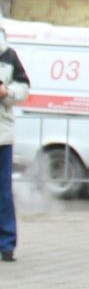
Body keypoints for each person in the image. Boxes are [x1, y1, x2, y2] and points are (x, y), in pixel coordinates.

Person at [0, 28, 31, 263]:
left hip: (2, 136)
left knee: (3, 193)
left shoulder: (9, 56)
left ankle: (6, 243)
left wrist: (6, 92)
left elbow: (24, 88)